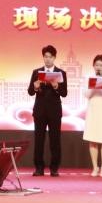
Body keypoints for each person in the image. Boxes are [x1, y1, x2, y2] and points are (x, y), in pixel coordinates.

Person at [28, 44, 68, 176]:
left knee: (55, 140)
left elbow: (64, 93)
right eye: (45, 56)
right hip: (40, 111)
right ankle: (39, 168)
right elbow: (30, 91)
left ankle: (54, 168)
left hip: (54, 111)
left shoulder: (61, 73)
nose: (47, 59)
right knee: (39, 140)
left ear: (54, 58)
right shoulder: (36, 72)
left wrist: (56, 86)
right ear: (43, 57)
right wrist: (35, 87)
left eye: (50, 57)